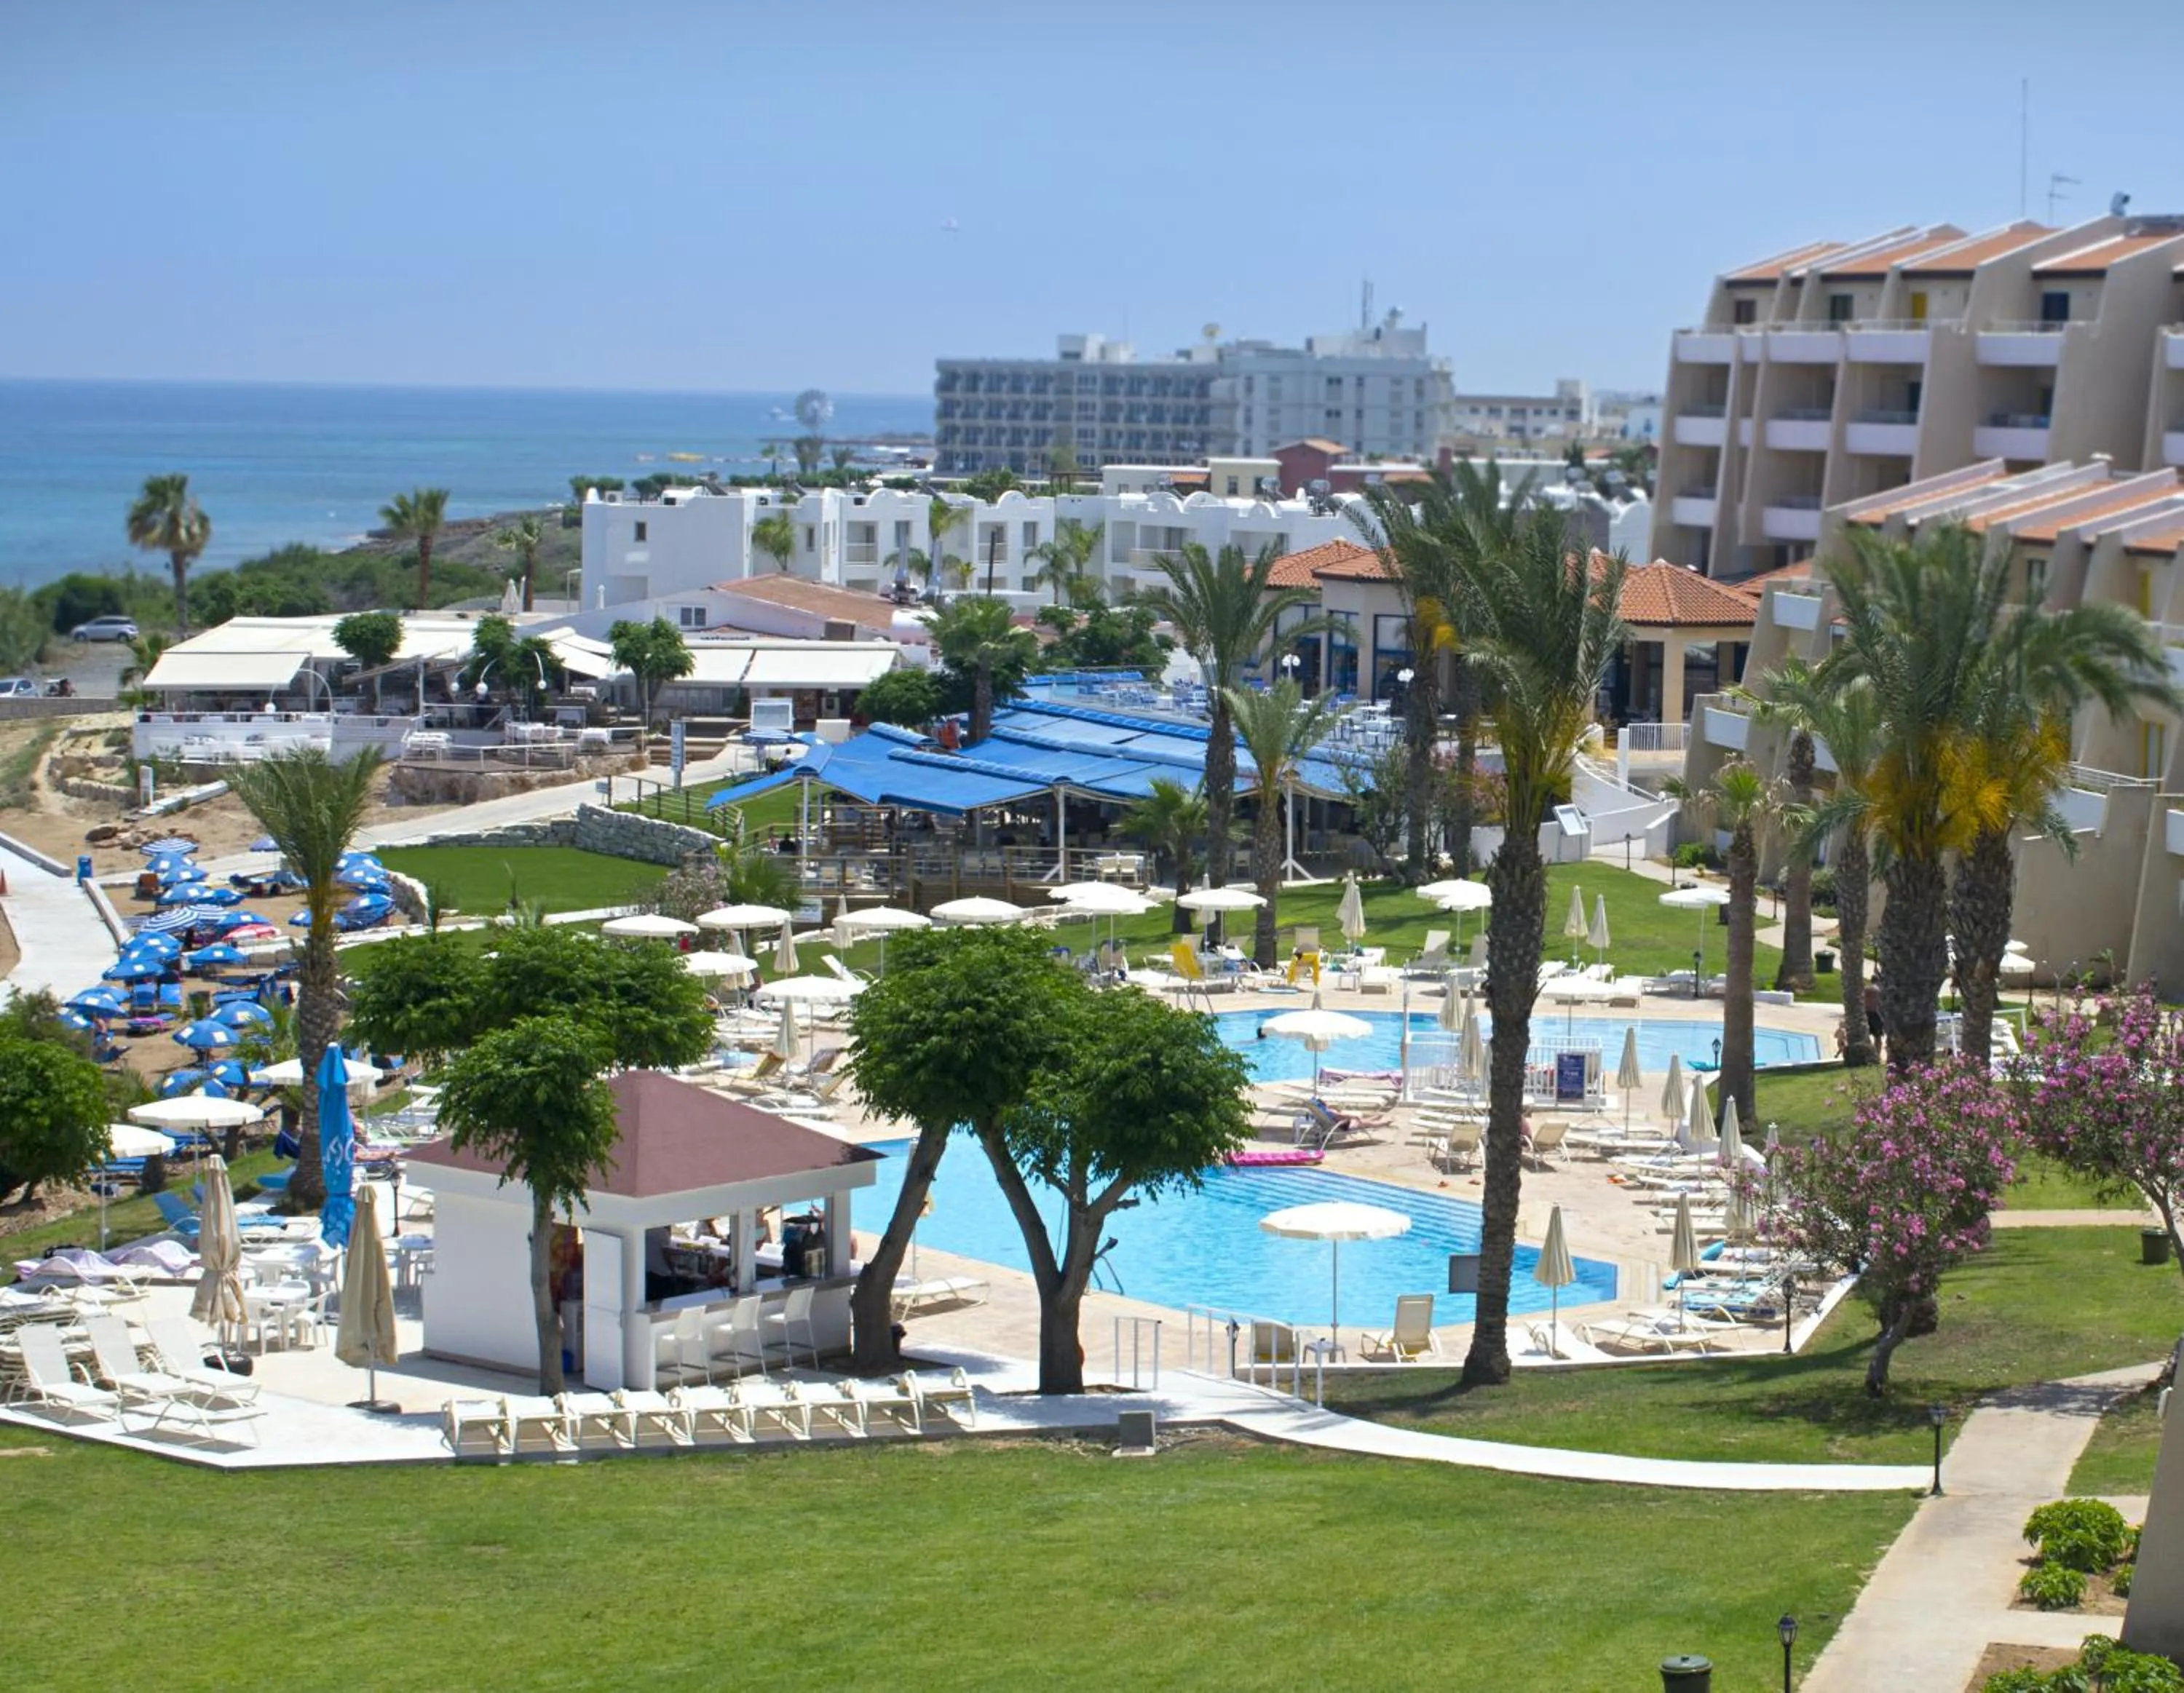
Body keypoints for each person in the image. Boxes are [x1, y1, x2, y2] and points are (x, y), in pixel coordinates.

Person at [1863, 980, 1885, 1063]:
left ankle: (1869, 1056)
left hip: (1865, 1013)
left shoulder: (1865, 989)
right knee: (1878, 1037)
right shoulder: (1878, 990)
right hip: (1876, 1014)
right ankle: (1877, 1056)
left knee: (1865, 1036)